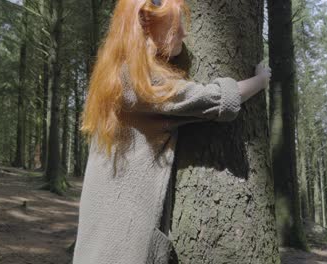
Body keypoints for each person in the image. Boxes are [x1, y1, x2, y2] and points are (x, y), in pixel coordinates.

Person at [72, 0, 271, 263]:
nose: (185, 34)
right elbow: (213, 99)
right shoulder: (137, 82)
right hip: (120, 239)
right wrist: (261, 80)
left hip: (102, 231)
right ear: (148, 27)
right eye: (176, 28)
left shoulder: (114, 75)